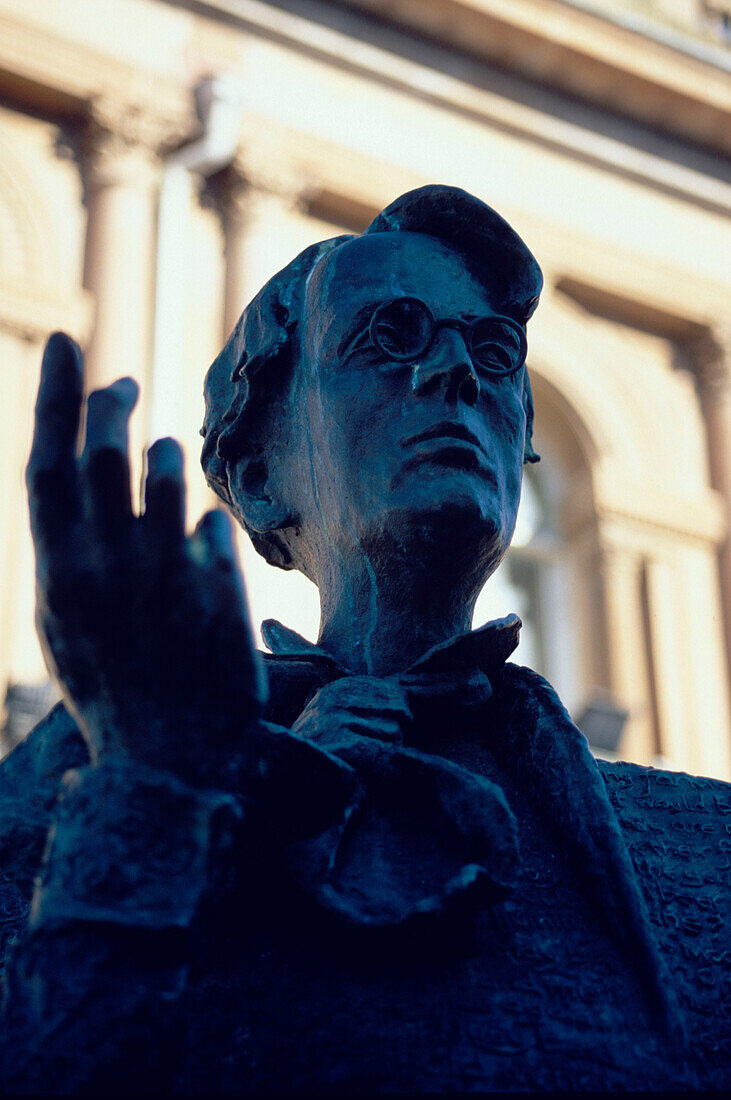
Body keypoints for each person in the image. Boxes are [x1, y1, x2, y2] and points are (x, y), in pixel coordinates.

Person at [0, 186, 728, 1093]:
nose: (459, 370)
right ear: (261, 478)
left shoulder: (700, 845)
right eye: (391, 337)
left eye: (495, 353)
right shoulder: (93, 770)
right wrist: (158, 797)